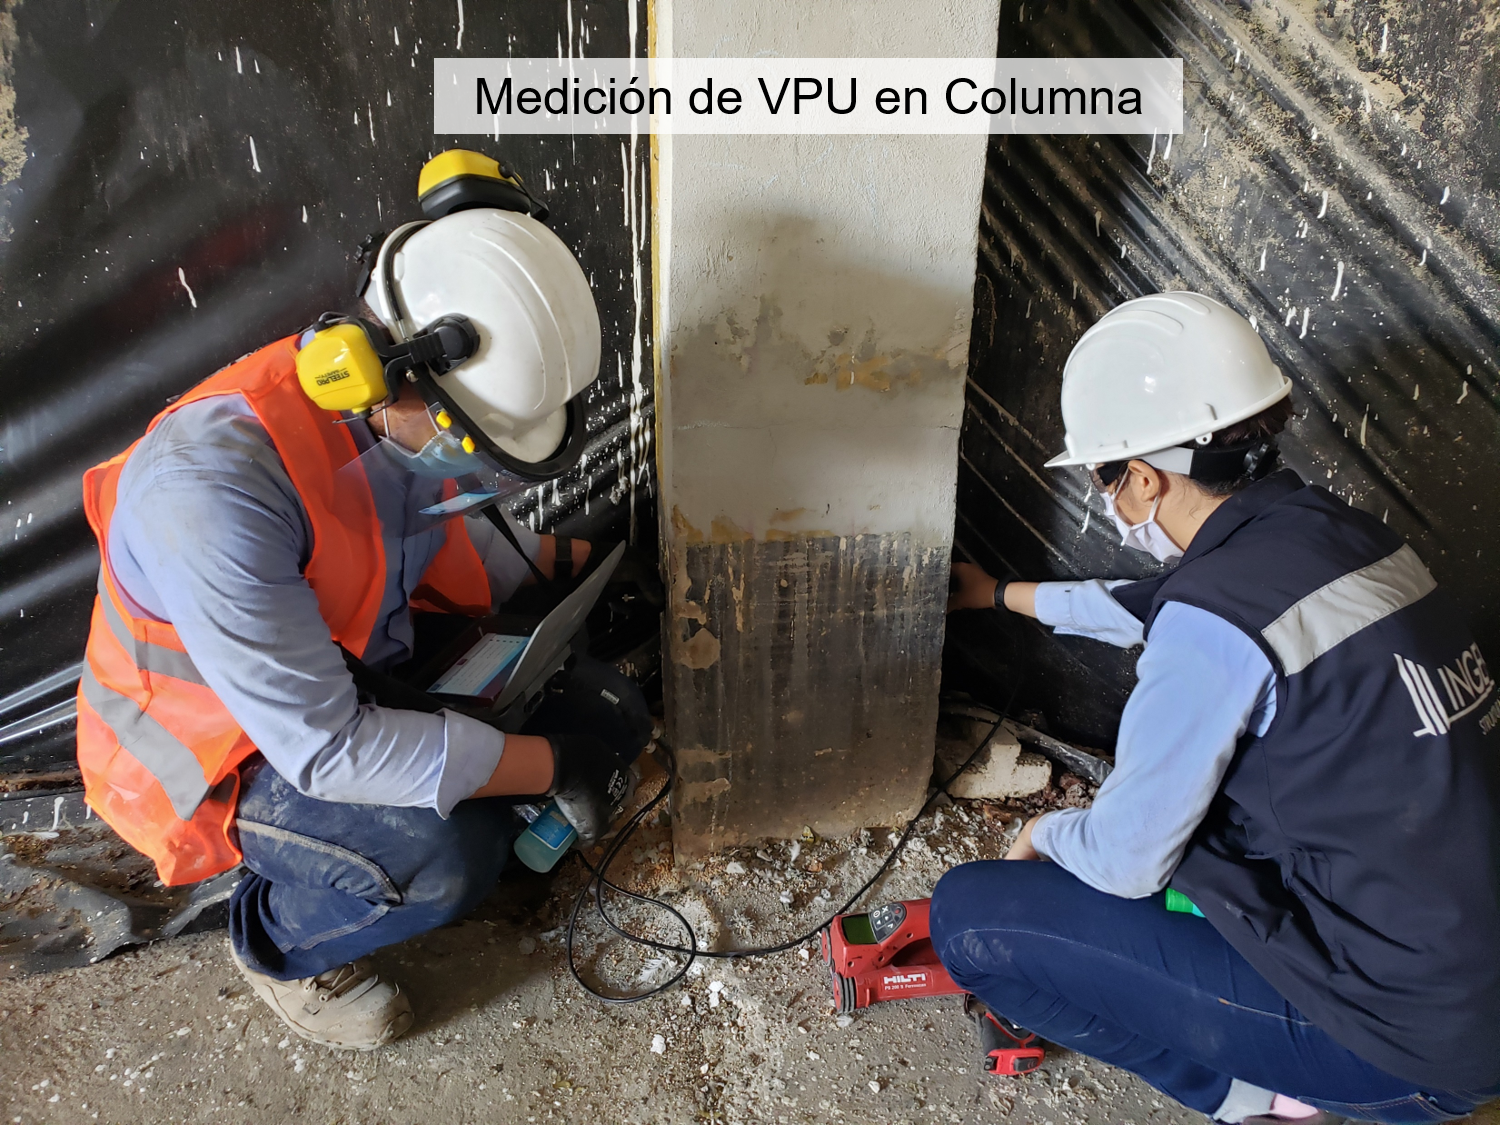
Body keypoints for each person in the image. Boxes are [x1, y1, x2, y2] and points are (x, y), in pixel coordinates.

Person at [75, 151, 650, 1051]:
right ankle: (280, 943)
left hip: (344, 667)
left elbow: (456, 544)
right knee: (446, 855)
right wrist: (545, 765)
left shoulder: (384, 416)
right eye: (472, 445)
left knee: (611, 711)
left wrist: (603, 563)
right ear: (394, 370)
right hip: (229, 753)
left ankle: (482, 812)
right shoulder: (209, 494)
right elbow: (327, 746)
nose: (474, 471)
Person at [938, 291, 1500, 1123]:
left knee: (967, 918)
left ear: (1142, 478)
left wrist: (1043, 831)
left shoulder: (1216, 619)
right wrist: (995, 595)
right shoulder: (1343, 539)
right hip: (1462, 972)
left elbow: (1127, 856)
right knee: (1213, 828)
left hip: (1415, 1045)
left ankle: (1253, 1100)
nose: (1111, 502)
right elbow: (1146, 605)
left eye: (1104, 479)